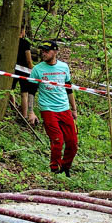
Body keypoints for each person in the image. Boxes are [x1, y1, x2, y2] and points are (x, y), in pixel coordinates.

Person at [30, 41, 78, 175]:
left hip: (64, 108)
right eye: (42, 51)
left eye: (47, 51)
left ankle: (65, 167)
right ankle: (54, 168)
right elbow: (31, 91)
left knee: (72, 142)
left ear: (55, 52)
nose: (43, 53)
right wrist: (31, 111)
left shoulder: (64, 67)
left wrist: (74, 109)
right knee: (57, 139)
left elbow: (69, 89)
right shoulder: (37, 69)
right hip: (48, 109)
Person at [16, 32, 38, 125]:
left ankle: (14, 107)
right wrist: (32, 69)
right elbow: (28, 60)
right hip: (24, 70)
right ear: (22, 31)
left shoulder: (11, 40)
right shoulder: (25, 43)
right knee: (24, 93)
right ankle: (24, 116)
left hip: (12, 69)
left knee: (10, 90)